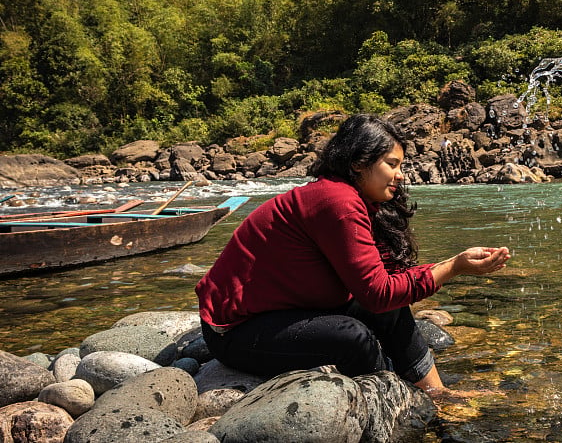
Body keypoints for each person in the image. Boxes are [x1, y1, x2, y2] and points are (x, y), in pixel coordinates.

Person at [195, 114, 510, 396]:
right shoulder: (337, 202)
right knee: (354, 338)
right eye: (392, 164)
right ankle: (394, 405)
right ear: (359, 163)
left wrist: (448, 266)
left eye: (401, 165)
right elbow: (377, 294)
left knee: (393, 310)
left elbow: (386, 289)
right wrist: (454, 266)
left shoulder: (346, 197)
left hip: (279, 310)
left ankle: (435, 393)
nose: (401, 175)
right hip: (234, 331)